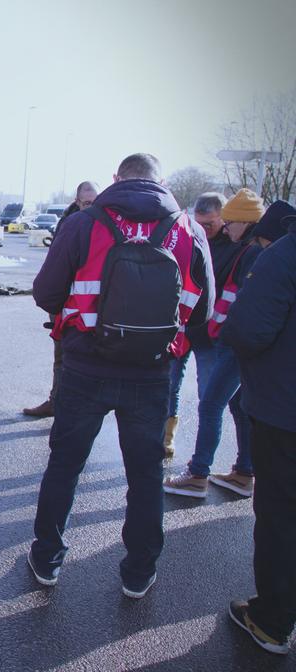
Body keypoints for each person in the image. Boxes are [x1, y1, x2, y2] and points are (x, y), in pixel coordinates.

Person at [28, 153, 213, 598]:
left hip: (85, 367)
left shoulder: (84, 223)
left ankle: (48, 557)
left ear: (116, 179)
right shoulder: (190, 230)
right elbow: (204, 312)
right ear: (161, 181)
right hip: (152, 372)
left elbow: (46, 293)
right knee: (145, 474)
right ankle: (139, 570)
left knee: (65, 465)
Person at [162, 194, 293, 498]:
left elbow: (250, 306)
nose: (226, 227)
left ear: (246, 222)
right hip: (232, 341)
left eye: (230, 221)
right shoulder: (256, 250)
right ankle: (244, 472)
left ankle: (198, 474)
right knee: (237, 405)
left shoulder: (257, 254)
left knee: (211, 404)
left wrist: (234, 337)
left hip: (233, 343)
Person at [220, 210, 296, 656]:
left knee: (281, 517)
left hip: (285, 414)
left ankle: (270, 621)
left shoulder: (285, 254)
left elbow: (247, 330)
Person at [163, 193, 243, 458]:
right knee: (169, 385)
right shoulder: (188, 236)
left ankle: (201, 459)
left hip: (211, 335)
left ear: (223, 218)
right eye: (199, 223)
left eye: (209, 224)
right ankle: (166, 439)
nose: (204, 229)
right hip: (181, 327)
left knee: (209, 398)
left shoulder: (235, 247)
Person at [23, 180, 99, 418]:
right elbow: (55, 267)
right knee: (62, 357)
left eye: (95, 202)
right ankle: (56, 402)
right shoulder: (69, 224)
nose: (91, 207)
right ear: (77, 202)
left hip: (93, 304)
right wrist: (53, 305)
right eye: (87, 203)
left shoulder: (105, 224)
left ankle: (80, 410)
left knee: (90, 362)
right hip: (66, 302)